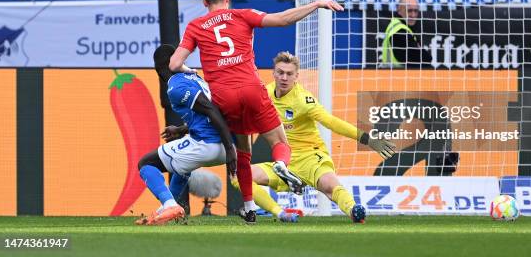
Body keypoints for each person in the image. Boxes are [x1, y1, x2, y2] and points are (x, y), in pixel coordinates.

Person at [169, 0, 344, 223]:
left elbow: (174, 64)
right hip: (251, 88)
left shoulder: (195, 26)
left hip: (224, 96)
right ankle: (282, 165)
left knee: (243, 151)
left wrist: (191, 72)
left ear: (204, 2)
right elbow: (283, 19)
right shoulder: (242, 15)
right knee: (280, 142)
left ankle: (249, 208)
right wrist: (315, 4)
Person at [165, 52, 396, 223]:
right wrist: (184, 129)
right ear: (274, 73)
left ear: (297, 77)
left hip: (310, 158)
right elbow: (224, 117)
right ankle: (280, 213)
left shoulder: (304, 100)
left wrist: (368, 139)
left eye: (289, 74)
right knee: (240, 176)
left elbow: (331, 122)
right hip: (281, 164)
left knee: (328, 185)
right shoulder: (263, 94)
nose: (284, 78)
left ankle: (355, 210)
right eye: (280, 73)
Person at [135, 44, 237, 225]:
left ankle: (169, 205)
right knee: (182, 166)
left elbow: (210, 109)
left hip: (208, 144)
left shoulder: (176, 86)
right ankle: (168, 211)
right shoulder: (193, 77)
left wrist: (230, 149)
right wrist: (181, 129)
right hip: (218, 143)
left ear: (159, 69)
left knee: (146, 163)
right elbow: (205, 114)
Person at [381, 0, 431, 67]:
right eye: (409, 11)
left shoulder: (400, 26)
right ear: (399, 10)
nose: (413, 15)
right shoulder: (399, 30)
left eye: (416, 11)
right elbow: (425, 59)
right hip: (397, 75)